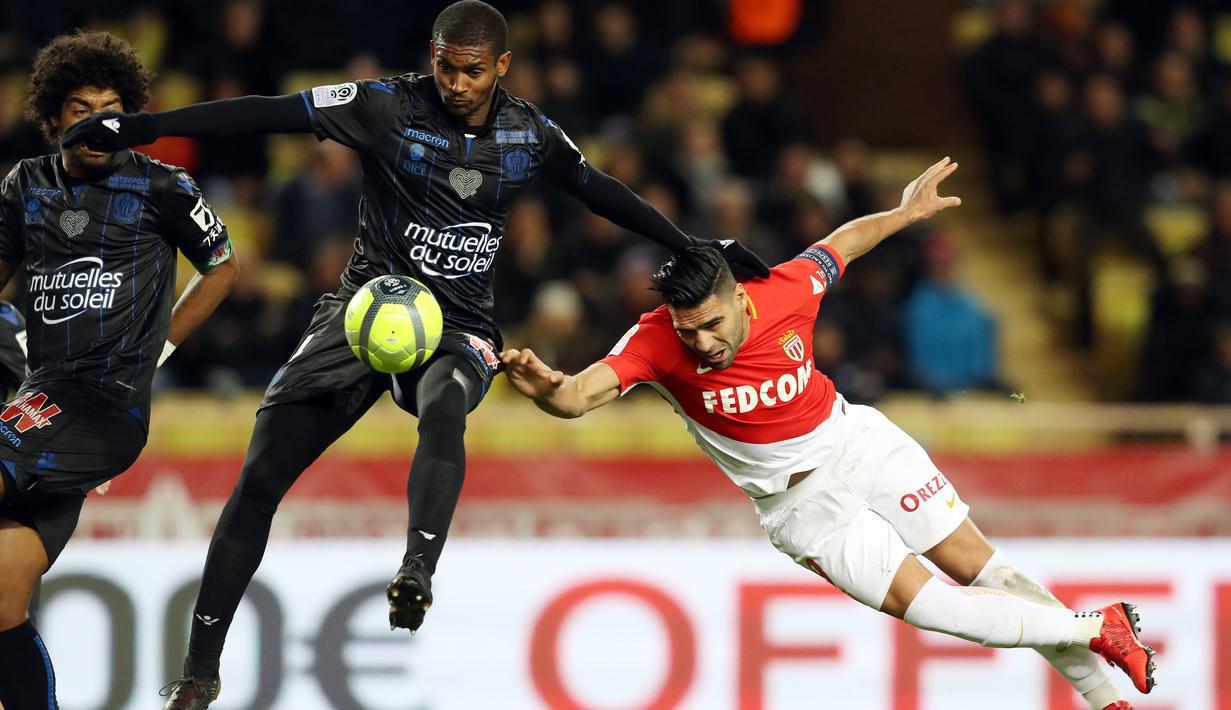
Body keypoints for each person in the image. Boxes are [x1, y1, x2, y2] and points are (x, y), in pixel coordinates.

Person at [62, 2, 769, 706]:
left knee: (444, 408)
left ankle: (416, 569)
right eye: (444, 67)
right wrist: (144, 128)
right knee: (260, 477)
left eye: (469, 71)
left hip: (459, 322)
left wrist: (693, 247)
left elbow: (601, 194)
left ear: (501, 67)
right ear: (430, 56)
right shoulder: (384, 108)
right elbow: (266, 112)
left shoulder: (530, 133)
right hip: (363, 309)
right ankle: (198, 675)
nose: (454, 83)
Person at [501, 158, 1151, 710]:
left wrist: (902, 213)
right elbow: (581, 394)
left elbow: (842, 243)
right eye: (688, 329)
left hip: (859, 444)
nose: (701, 342)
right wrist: (548, 390)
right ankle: (1096, 629)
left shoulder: (785, 290)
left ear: (740, 298)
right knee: (937, 610)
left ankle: (1105, 694)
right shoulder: (655, 340)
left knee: (987, 572)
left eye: (711, 325)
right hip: (803, 510)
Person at [0, 31, 239, 709]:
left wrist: (159, 348)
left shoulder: (162, 187)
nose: (99, 121)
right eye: (81, 107)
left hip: (104, 407)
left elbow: (223, 268)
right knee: (3, 595)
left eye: (113, 108)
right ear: (53, 117)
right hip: (41, 404)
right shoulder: (25, 186)